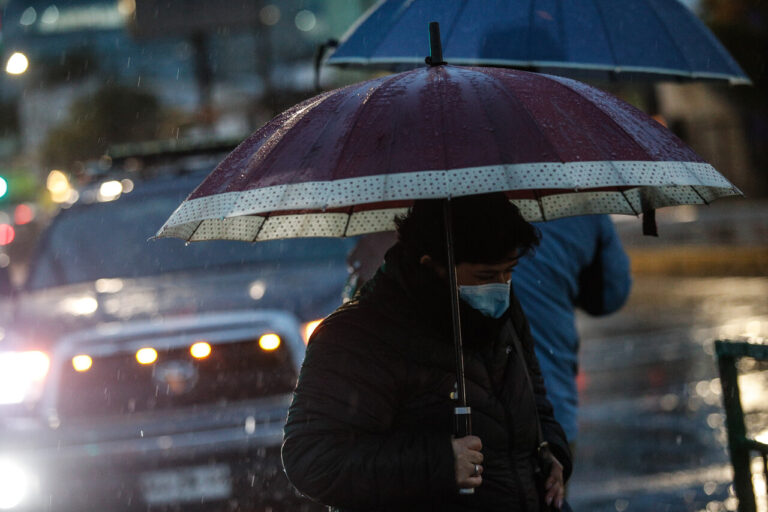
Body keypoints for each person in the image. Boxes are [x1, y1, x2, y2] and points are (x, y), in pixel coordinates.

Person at [282, 193, 572, 512]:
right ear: (433, 266)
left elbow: (535, 401)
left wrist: (552, 452)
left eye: (509, 271)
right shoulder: (357, 336)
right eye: (486, 277)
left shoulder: (502, 312)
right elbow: (312, 461)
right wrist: (439, 463)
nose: (502, 287)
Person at [511, 216, 631, 446]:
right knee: (551, 475)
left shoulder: (459, 196)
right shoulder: (580, 199)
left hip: (466, 422)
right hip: (551, 404)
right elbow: (611, 294)